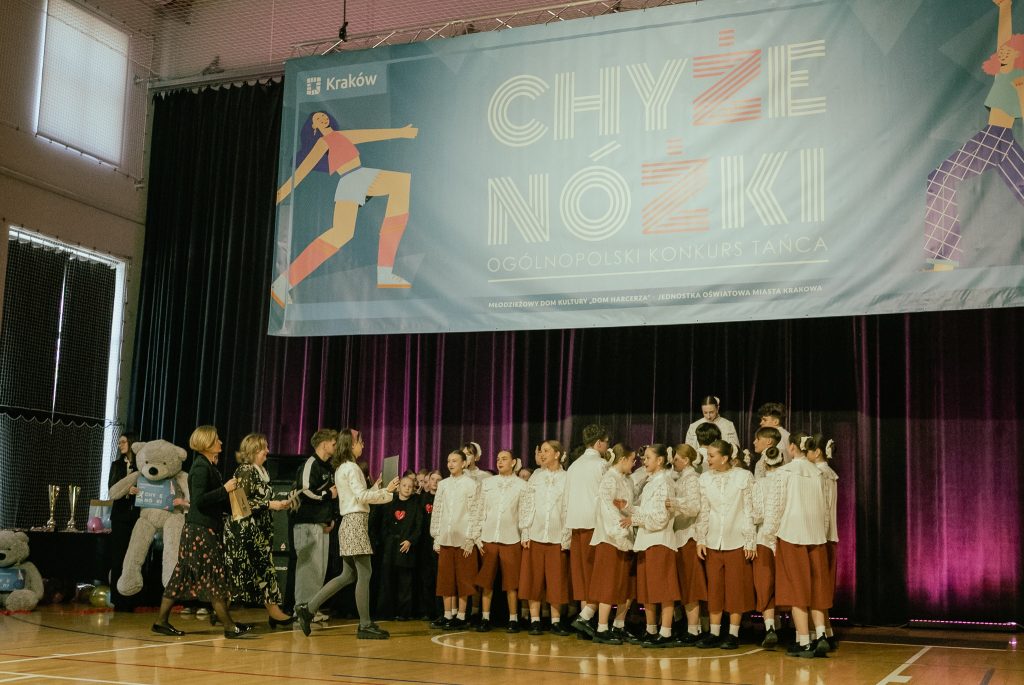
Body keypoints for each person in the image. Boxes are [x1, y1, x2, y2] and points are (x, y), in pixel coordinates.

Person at [272, 111, 419, 303]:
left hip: (361, 176)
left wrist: (400, 132)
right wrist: (280, 194)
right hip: (351, 181)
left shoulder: (342, 135)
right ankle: (282, 284)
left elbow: (370, 135)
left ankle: (385, 272)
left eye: (323, 116)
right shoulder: (322, 143)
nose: (322, 118)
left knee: (400, 183)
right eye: (317, 118)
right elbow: (301, 172)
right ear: (314, 127)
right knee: (340, 234)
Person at [923, 0, 1024, 271]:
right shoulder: (1005, 72)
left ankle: (943, 260)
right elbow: (1005, 40)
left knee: (942, 177)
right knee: (941, 177)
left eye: (1009, 52)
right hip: (995, 138)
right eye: (1002, 52)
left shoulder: (1018, 78)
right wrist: (1005, 8)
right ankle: (943, 260)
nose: (1003, 52)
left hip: (1001, 139)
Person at [296, 428, 399, 639]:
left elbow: (357, 495)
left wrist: (377, 488)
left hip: (350, 522)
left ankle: (308, 609)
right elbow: (361, 497)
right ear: (352, 445)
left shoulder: (343, 467)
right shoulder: (352, 467)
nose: (363, 445)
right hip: (355, 522)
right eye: (360, 441)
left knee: (348, 575)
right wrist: (387, 492)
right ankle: (365, 624)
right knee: (364, 573)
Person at [152, 426, 251, 638]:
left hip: (204, 528)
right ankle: (228, 626)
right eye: (216, 440)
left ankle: (161, 621)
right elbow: (199, 500)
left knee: (184, 575)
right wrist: (225, 489)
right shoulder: (200, 467)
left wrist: (237, 506)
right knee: (212, 575)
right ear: (206, 443)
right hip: (200, 530)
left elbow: (213, 501)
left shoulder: (208, 466)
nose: (221, 442)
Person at [762, 433, 830, 658]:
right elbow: (825, 509)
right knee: (817, 587)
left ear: (792, 447)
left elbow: (775, 508)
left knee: (796, 589)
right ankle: (821, 634)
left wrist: (770, 536)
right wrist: (822, 532)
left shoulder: (784, 472)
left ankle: (804, 641)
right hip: (816, 536)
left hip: (791, 535)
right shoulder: (819, 473)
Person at [224, 433, 294, 629]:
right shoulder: (245, 471)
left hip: (259, 533)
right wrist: (270, 504)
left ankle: (274, 612)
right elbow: (240, 504)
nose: (267, 451)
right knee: (241, 573)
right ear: (254, 450)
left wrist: (277, 504)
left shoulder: (262, 471)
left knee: (265, 572)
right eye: (264, 448)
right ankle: (221, 611)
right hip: (245, 533)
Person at [695, 440, 756, 650]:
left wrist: (750, 540)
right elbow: (704, 511)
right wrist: (701, 538)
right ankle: (714, 632)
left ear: (725, 458)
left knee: (736, 588)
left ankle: (733, 633)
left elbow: (749, 510)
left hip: (737, 539)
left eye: (712, 456)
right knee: (715, 588)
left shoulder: (743, 477)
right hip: (713, 540)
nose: (708, 459)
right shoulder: (705, 479)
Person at [624, 444, 680, 648]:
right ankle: (651, 629)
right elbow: (646, 510)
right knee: (647, 589)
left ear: (660, 460)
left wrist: (635, 519)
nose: (644, 461)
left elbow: (660, 518)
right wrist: (628, 508)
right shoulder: (650, 482)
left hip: (660, 541)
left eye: (648, 458)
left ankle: (666, 631)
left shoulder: (664, 482)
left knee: (664, 589)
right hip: (647, 541)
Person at [519, 440, 572, 635]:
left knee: (556, 579)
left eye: (546, 451)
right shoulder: (536, 477)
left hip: (557, 536)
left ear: (557, 454)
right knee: (534, 579)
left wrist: (566, 536)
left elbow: (568, 508)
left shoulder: (567, 478)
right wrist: (525, 531)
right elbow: (527, 504)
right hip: (535, 534)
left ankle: (555, 621)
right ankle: (535, 620)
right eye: (541, 450)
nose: (542, 454)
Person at [474, 450, 528, 633]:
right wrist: (477, 536)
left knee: (511, 582)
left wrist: (524, 535)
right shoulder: (488, 483)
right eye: (498, 459)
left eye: (504, 459)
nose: (500, 462)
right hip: (488, 537)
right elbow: (480, 509)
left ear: (513, 462)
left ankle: (513, 619)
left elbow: (524, 513)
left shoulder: (521, 485)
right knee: (486, 581)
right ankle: (485, 617)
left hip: (511, 538)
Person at [565, 424, 610, 638]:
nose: (607, 446)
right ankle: (592, 621)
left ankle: (584, 623)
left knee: (582, 576)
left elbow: (566, 500)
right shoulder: (601, 465)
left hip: (576, 525)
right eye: (606, 442)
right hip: (595, 526)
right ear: (599, 442)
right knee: (596, 575)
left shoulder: (574, 466)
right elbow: (606, 496)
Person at [589, 444, 636, 645]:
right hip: (610, 538)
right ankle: (601, 627)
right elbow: (607, 508)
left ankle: (618, 625)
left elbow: (626, 506)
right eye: (632, 459)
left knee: (622, 585)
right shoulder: (609, 479)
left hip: (624, 539)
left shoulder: (626, 479)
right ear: (622, 459)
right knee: (607, 584)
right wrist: (620, 532)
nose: (634, 463)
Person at [430, 449, 483, 629]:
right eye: (448, 461)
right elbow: (437, 511)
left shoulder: (471, 484)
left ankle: (461, 616)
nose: (451, 464)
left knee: (464, 579)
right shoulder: (443, 485)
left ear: (463, 463)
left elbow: (475, 512)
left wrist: (470, 538)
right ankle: (447, 614)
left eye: (454, 461)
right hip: (446, 538)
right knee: (446, 579)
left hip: (463, 540)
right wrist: (436, 536)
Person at [292, 429, 339, 617]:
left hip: (320, 524)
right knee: (307, 569)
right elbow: (304, 491)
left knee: (319, 570)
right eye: (334, 443)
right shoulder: (310, 464)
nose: (336, 447)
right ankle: (301, 609)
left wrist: (330, 518)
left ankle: (310, 609)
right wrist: (327, 494)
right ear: (324, 444)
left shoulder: (328, 467)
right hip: (307, 524)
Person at [667, 443, 705, 645]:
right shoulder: (681, 478)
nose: (673, 462)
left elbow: (694, 507)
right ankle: (689, 626)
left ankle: (693, 629)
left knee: (691, 583)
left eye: (676, 459)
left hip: (689, 535)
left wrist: (673, 503)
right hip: (680, 536)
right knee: (684, 583)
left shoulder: (692, 479)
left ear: (687, 460)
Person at [373, 475, 423, 621]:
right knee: (387, 580)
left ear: (413, 489)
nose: (407, 488)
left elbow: (418, 527)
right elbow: (383, 524)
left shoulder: (415, 505)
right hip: (390, 547)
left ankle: (404, 613)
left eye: (410, 486)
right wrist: (387, 540)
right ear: (399, 487)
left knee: (405, 582)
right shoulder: (390, 502)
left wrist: (410, 541)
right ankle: (386, 611)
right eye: (404, 485)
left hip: (405, 547)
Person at [751, 444, 785, 649]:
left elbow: (756, 515)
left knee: (764, 582)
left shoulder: (759, 484)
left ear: (764, 463)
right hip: (785, 537)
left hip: (763, 538)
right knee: (786, 582)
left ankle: (770, 626)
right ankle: (800, 631)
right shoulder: (788, 482)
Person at [808, 437, 839, 652]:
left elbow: (824, 510)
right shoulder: (826, 473)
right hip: (824, 537)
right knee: (819, 588)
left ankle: (817, 635)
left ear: (817, 452)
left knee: (816, 588)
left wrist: (817, 535)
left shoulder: (821, 474)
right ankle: (827, 632)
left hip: (820, 538)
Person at [108, 431, 140, 612]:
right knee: (118, 557)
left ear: (132, 443)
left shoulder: (141, 465)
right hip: (120, 517)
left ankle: (131, 599)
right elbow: (112, 488)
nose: (120, 445)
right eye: (119, 442)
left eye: (123, 442)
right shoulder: (116, 465)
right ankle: (117, 598)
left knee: (133, 558)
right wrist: (128, 490)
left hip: (136, 517)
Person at [415, 469, 442, 620]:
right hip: (424, 544)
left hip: (438, 544)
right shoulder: (422, 499)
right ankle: (427, 610)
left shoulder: (443, 499)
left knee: (438, 577)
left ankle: (440, 611)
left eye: (439, 480)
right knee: (426, 578)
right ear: (428, 481)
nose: (435, 482)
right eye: (433, 479)